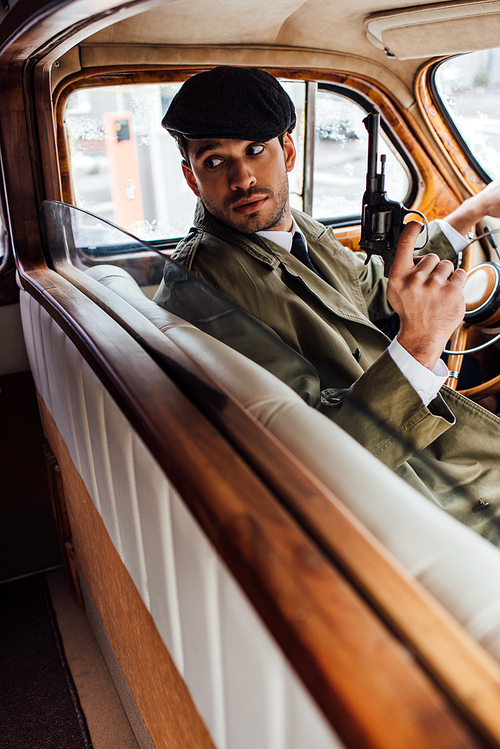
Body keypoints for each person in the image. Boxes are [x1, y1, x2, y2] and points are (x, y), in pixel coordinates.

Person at [154, 66, 500, 544]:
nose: (243, 178)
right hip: (404, 491)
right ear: (192, 177)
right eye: (215, 161)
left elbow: (369, 287)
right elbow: (316, 452)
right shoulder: (203, 286)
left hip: (430, 452)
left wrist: (470, 213)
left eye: (255, 150)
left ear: (288, 151)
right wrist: (420, 345)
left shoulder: (291, 226)